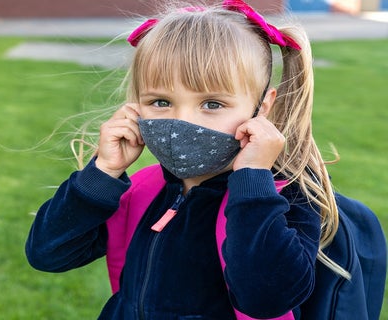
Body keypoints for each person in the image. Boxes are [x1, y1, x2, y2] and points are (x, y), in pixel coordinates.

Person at [25, 0, 351, 318]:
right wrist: (103, 173)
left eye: (211, 104)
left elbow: (265, 299)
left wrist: (253, 182)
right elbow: (48, 253)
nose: (183, 122)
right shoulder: (141, 189)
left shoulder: (285, 196)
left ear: (261, 107)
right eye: (161, 101)